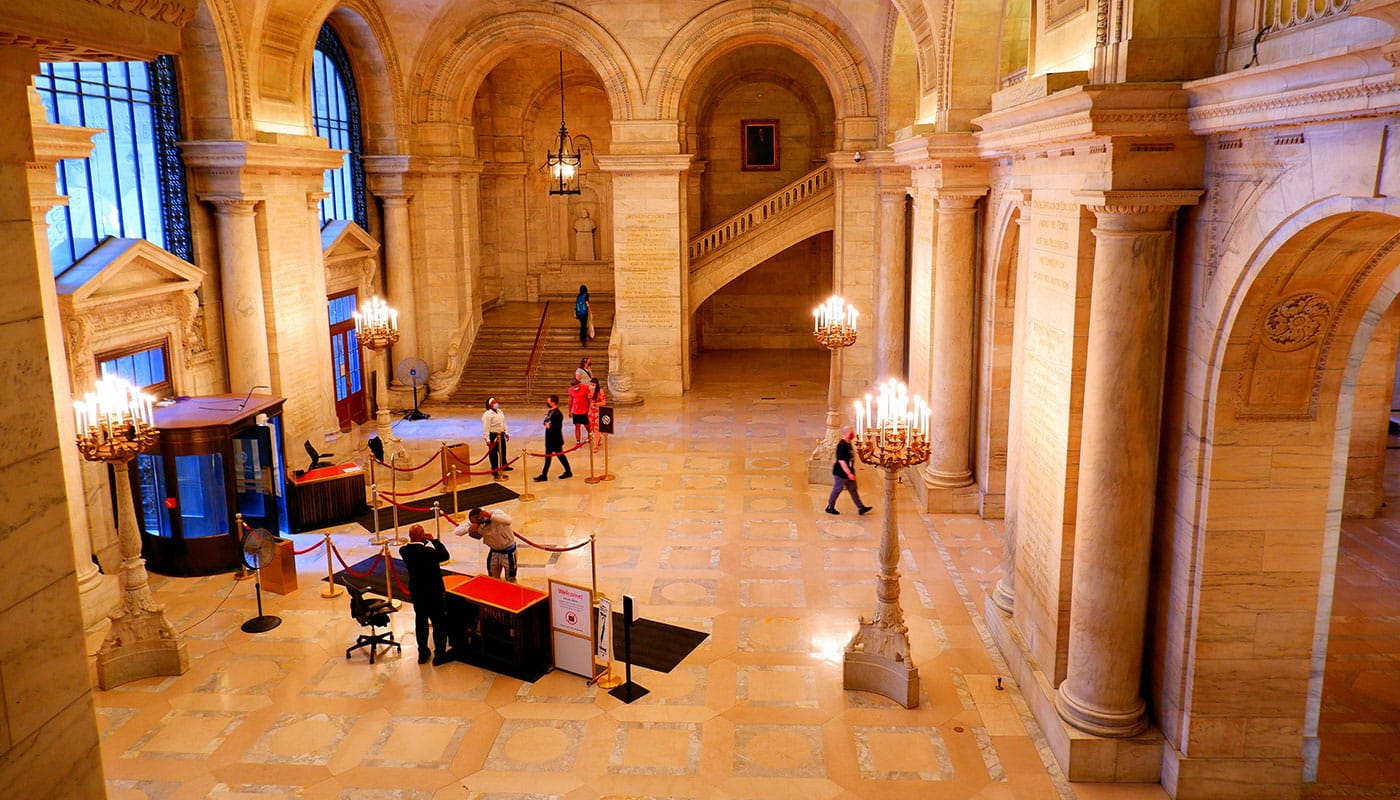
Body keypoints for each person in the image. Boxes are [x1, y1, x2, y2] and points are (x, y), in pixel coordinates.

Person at [399, 524, 452, 665]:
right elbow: (445, 555)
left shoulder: (403, 551)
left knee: (421, 622)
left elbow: (411, 547)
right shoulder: (428, 552)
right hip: (433, 593)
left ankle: (422, 653)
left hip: (417, 593)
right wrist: (434, 540)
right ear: (422, 536)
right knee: (438, 623)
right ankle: (439, 654)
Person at [454, 507, 518, 582]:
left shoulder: (495, 513)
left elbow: (508, 521)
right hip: (494, 551)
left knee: (511, 578)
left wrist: (491, 516)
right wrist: (468, 529)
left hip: (508, 551)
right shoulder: (474, 522)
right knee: (492, 577)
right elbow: (456, 532)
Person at [827, 426, 873, 515]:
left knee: (853, 490)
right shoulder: (841, 445)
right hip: (841, 473)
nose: (852, 433)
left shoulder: (848, 443)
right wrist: (848, 473)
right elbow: (841, 461)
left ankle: (861, 508)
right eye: (850, 432)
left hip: (850, 472)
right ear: (845, 433)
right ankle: (830, 507)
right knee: (837, 490)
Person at [535, 394, 573, 481]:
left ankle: (568, 471)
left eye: (548, 401)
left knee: (560, 456)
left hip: (555, 440)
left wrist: (549, 426)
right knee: (548, 458)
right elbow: (546, 421)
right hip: (549, 439)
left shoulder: (558, 414)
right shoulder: (550, 412)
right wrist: (546, 423)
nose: (547, 403)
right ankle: (544, 475)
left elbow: (557, 427)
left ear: (553, 402)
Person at [481, 397, 510, 479]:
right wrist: (487, 439)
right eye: (493, 402)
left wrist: (506, 432)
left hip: (500, 434)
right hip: (493, 435)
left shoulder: (500, 411)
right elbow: (486, 427)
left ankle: (504, 465)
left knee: (503, 450)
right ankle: (494, 469)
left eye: (496, 402)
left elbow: (503, 422)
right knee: (493, 453)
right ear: (490, 405)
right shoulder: (487, 415)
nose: (495, 404)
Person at [568, 379, 591, 443]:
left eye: (576, 386)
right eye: (574, 387)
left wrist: (590, 408)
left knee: (587, 426)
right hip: (575, 411)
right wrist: (569, 411)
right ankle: (578, 441)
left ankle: (589, 437)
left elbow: (589, 398)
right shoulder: (570, 390)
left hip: (584, 411)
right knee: (577, 426)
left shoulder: (585, 388)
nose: (575, 388)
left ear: (579, 384)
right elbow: (570, 400)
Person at [588, 377, 606, 452]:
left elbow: (604, 403)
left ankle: (595, 446)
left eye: (593, 384)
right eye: (591, 384)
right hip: (591, 411)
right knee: (592, 428)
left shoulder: (600, 391)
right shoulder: (590, 390)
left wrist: (595, 404)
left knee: (596, 428)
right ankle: (598, 440)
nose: (592, 386)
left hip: (598, 411)